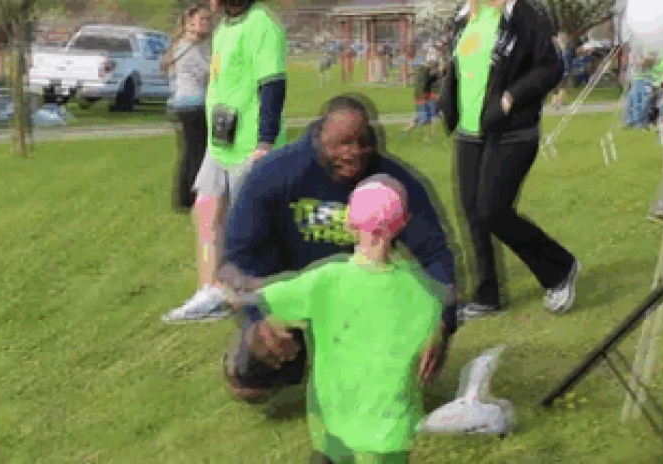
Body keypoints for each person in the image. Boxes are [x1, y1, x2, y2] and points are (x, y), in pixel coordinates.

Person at [217, 95, 459, 405]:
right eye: (342, 144)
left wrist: (439, 321)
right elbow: (238, 257)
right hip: (292, 304)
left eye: (362, 143)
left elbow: (435, 253)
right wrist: (259, 316)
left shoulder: (392, 182)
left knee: (385, 391)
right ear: (318, 139)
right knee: (249, 380)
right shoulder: (274, 173)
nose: (354, 154)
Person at [225, 174, 445, 464]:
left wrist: (233, 288)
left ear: (350, 224)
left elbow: (265, 299)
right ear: (401, 224)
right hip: (391, 427)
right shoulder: (421, 293)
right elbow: (431, 341)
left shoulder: (327, 281)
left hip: (334, 422)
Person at [442, 0, 581, 318]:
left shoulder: (522, 14)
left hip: (511, 132)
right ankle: (487, 295)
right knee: (474, 215)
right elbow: (461, 67)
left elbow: (550, 67)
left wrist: (510, 98)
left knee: (494, 211)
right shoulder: (464, 17)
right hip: (470, 133)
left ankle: (560, 269)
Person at [162, 0, 288, 323]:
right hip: (219, 145)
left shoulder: (262, 25)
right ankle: (210, 292)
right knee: (205, 209)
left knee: (248, 224)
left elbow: (272, 86)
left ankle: (258, 297)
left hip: (249, 145)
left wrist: (265, 142)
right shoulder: (225, 27)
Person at [162, 5, 213, 213]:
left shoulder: (181, 45)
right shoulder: (189, 46)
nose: (202, 25)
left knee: (188, 152)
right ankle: (194, 198)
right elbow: (208, 72)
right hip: (193, 104)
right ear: (188, 23)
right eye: (198, 21)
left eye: (206, 21)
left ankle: (183, 198)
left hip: (181, 104)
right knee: (198, 153)